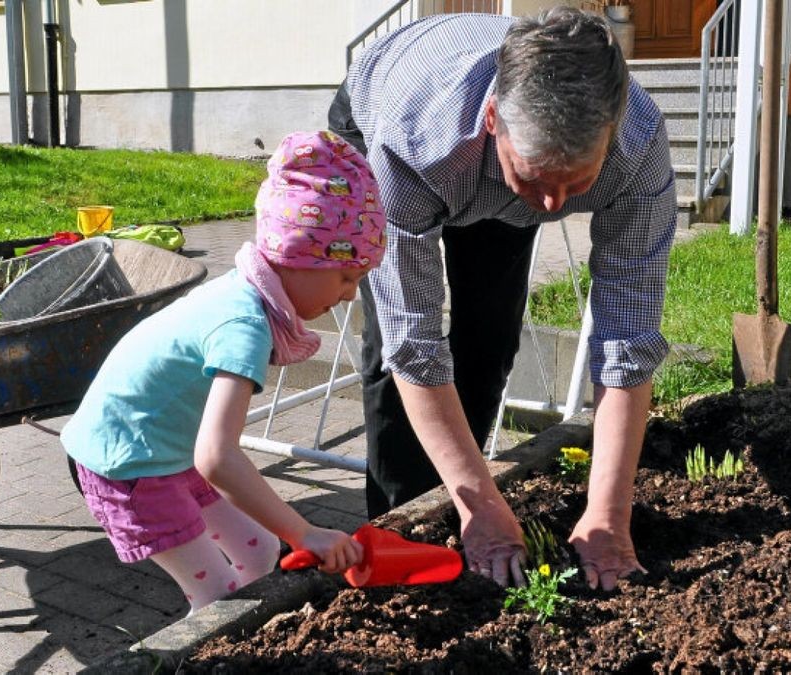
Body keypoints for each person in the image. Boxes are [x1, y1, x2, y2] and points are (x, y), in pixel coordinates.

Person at [328, 6, 677, 590]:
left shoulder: (637, 151)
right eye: (536, 179)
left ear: (610, 136)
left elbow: (627, 341)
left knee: (489, 334)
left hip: (486, 163)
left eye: (577, 183)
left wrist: (609, 516)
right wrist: (481, 508)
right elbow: (414, 344)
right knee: (393, 354)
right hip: (397, 124)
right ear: (494, 118)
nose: (551, 205)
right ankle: (404, 529)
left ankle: (473, 499)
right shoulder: (414, 136)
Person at [60, 130, 385, 613]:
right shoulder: (244, 326)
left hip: (168, 450)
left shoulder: (250, 293)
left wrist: (289, 534)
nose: (348, 294)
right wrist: (305, 530)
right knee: (217, 600)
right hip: (129, 464)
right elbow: (217, 457)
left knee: (261, 551)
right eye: (345, 276)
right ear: (298, 255)